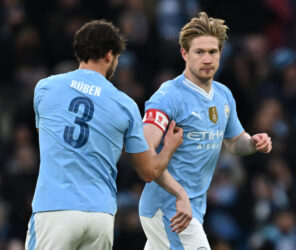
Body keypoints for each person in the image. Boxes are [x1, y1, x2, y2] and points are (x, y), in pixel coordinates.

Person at [24, 20, 183, 250]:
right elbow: (148, 171)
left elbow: (46, 138)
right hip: (100, 216)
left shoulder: (45, 88)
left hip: (55, 209)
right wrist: (169, 146)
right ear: (110, 55)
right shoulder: (125, 105)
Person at [139, 12, 272, 249]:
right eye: (199, 52)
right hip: (168, 209)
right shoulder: (168, 96)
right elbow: (145, 152)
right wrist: (180, 194)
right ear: (184, 53)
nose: (207, 58)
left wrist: (252, 143)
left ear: (220, 53)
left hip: (192, 209)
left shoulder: (223, 95)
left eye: (213, 51)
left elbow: (234, 142)